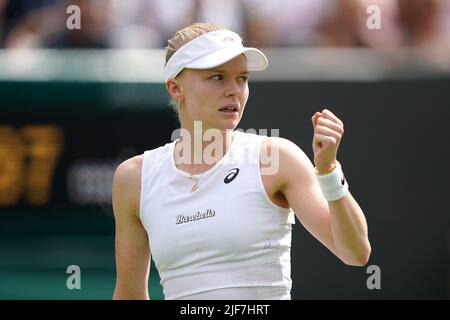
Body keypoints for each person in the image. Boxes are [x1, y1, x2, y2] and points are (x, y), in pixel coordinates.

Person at [112, 22, 371, 300]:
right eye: (217, 77)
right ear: (176, 88)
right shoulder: (134, 178)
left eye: (242, 78)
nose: (234, 90)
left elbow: (355, 252)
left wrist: (329, 171)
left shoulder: (277, 158)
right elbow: (129, 295)